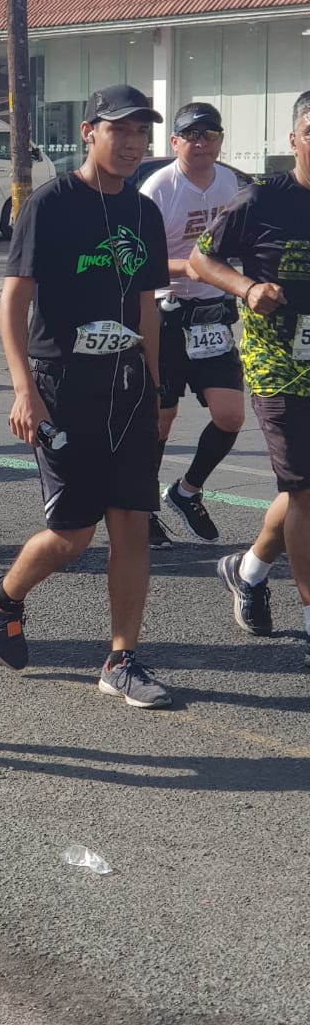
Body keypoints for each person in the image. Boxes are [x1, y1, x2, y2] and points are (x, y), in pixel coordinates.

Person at [0, 84, 172, 709]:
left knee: (132, 524)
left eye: (141, 132)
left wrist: (155, 384)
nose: (133, 143)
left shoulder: (144, 212)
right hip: (62, 386)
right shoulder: (51, 203)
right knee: (72, 536)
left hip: (127, 388)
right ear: (89, 132)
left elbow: (146, 305)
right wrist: (23, 390)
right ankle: (4, 594)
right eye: (120, 130)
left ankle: (122, 659)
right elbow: (13, 302)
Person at [191, 90, 310, 658]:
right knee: (305, 493)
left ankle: (249, 570)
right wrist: (247, 287)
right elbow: (200, 259)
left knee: (303, 490)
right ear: (294, 141)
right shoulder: (262, 198)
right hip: (277, 364)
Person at [139, 103, 245, 547]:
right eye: (192, 136)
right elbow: (139, 259)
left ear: (220, 140)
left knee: (230, 415)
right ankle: (142, 506)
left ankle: (187, 490)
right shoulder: (158, 189)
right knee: (161, 420)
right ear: (175, 142)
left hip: (213, 315)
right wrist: (190, 269)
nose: (201, 143)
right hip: (166, 313)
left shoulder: (231, 182)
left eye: (210, 135)